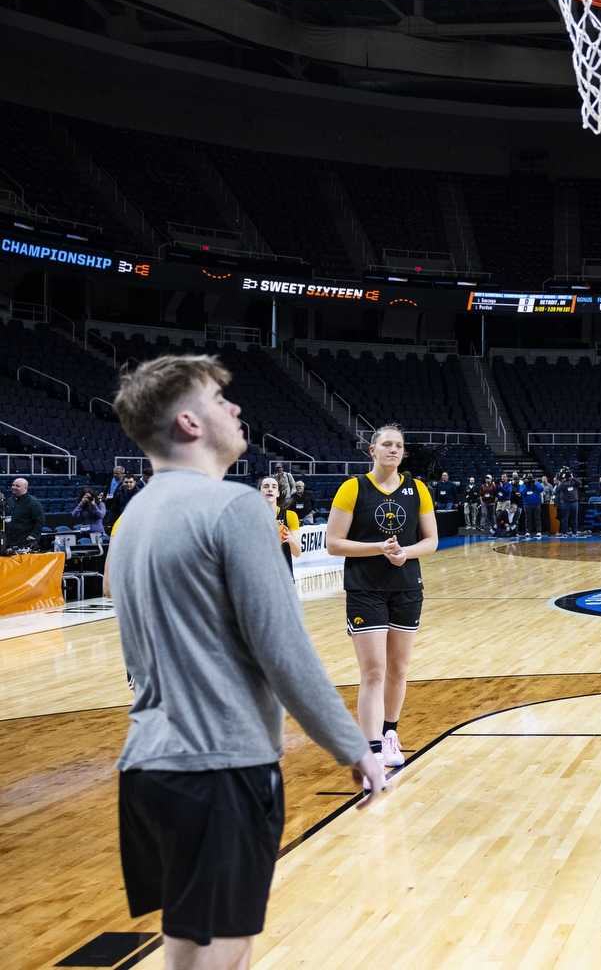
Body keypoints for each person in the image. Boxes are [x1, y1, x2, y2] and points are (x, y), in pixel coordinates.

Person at [107, 353, 383, 970]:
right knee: (224, 953)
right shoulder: (236, 508)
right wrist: (354, 747)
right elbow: (283, 650)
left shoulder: (131, 520)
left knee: (185, 941)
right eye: (217, 398)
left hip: (148, 766)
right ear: (187, 422)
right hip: (220, 764)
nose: (234, 407)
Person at [326, 424, 440, 780]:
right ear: (372, 451)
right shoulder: (353, 488)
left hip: (406, 586)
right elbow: (333, 542)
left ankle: (390, 733)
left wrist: (404, 553)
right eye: (386, 444)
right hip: (364, 588)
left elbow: (432, 540)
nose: (394, 450)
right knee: (373, 670)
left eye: (399, 445)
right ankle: (371, 748)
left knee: (399, 669)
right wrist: (379, 548)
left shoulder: (417, 489)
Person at [259, 476, 302, 573]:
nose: (270, 489)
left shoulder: (290, 516)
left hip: (283, 575)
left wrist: (291, 540)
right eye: (265, 486)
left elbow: (297, 553)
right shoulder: (251, 517)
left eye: (274, 487)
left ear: (278, 493)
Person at [4, 477, 46, 553]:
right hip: (10, 541)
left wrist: (34, 535)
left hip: (25, 542)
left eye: (17, 486)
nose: (14, 487)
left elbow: (40, 521)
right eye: (13, 485)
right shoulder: (10, 500)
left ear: (25, 488)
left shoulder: (33, 502)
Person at [556, 470, 581, 536]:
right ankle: (564, 532)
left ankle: (574, 532)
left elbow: (579, 483)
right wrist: (564, 479)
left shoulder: (574, 481)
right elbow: (559, 488)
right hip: (565, 502)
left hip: (574, 501)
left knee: (574, 518)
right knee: (565, 518)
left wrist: (573, 477)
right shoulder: (562, 482)